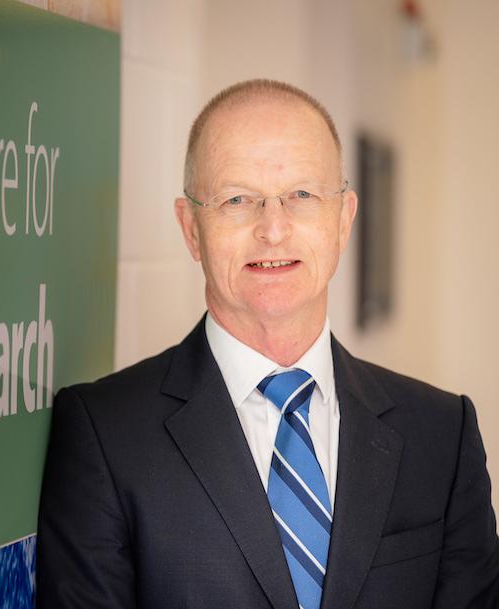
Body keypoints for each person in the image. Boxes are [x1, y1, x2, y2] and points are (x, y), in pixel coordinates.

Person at [36, 79, 499, 609]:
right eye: (237, 200)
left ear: (343, 219)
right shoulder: (105, 434)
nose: (273, 230)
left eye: (302, 195)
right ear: (191, 229)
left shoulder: (441, 433)